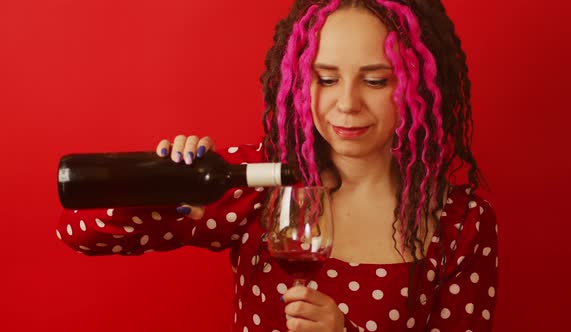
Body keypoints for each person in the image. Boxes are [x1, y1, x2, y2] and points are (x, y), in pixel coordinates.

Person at [57, 0, 498, 331]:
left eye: (376, 80)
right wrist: (161, 184)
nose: (347, 103)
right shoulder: (258, 178)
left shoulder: (462, 224)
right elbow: (78, 231)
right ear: (298, 81)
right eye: (325, 79)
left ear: (420, 86)